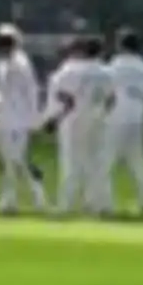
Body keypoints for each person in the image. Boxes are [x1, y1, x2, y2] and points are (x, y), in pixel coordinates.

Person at [43, 35, 114, 217]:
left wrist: (53, 119)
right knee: (97, 163)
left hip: (73, 120)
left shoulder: (69, 70)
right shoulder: (105, 72)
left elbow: (64, 98)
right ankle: (101, 205)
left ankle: (65, 205)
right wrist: (102, 115)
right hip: (97, 119)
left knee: (71, 163)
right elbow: (111, 99)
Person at [0, 24, 49, 215]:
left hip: (19, 119)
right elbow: (2, 91)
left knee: (16, 159)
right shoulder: (2, 63)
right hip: (5, 118)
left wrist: (34, 119)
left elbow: (31, 92)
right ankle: (22, 198)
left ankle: (16, 200)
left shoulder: (22, 64)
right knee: (10, 160)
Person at [104, 26, 143, 219]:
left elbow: (107, 89)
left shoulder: (116, 64)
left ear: (121, 44)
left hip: (118, 112)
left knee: (106, 159)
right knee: (137, 160)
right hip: (138, 114)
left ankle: (105, 204)